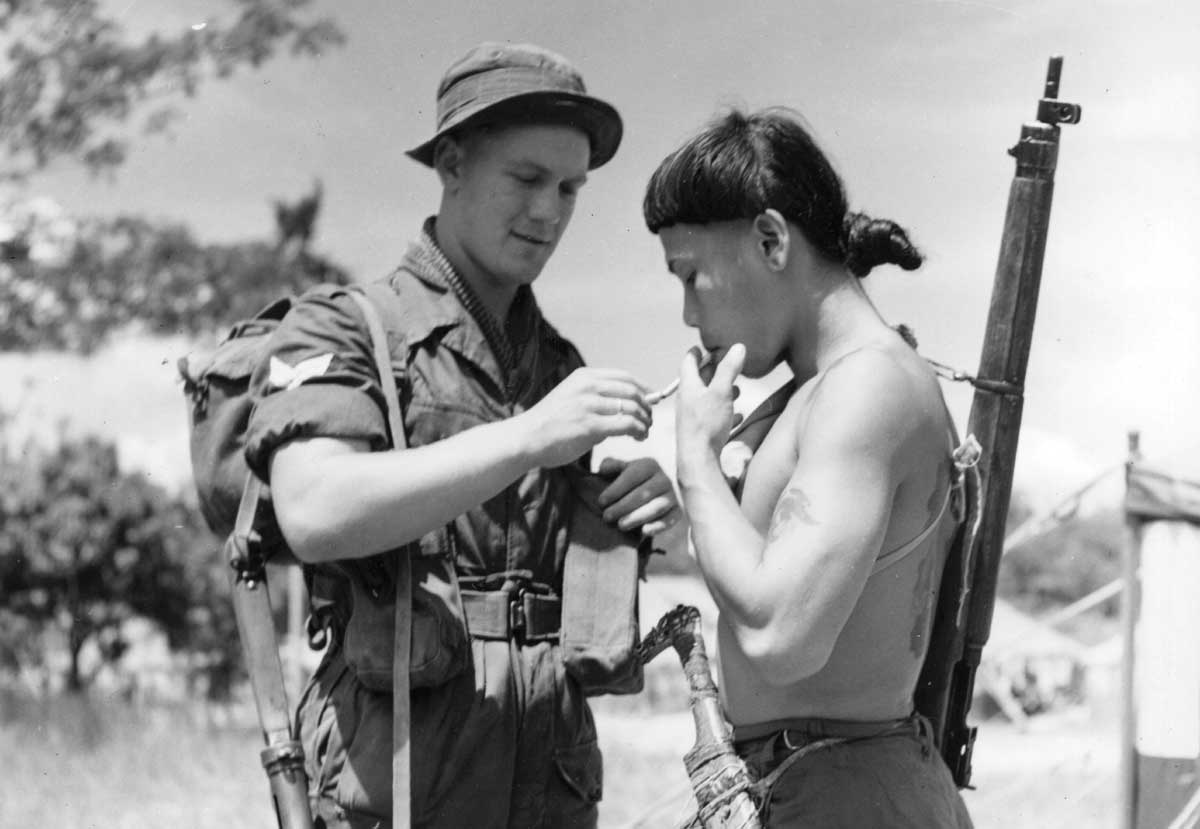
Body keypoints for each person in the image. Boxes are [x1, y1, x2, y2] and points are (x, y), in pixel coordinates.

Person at [245, 42, 679, 829]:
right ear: (451, 163)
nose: (549, 211)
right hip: (398, 785)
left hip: (545, 788)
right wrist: (529, 437)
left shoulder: (558, 367)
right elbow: (314, 510)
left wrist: (636, 503)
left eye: (571, 188)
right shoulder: (345, 327)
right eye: (526, 178)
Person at [642, 108, 974, 827]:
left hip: (843, 793)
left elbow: (781, 638)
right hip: (820, 782)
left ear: (770, 239)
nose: (687, 311)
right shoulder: (825, 390)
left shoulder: (867, 385)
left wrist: (696, 457)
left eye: (692, 275)